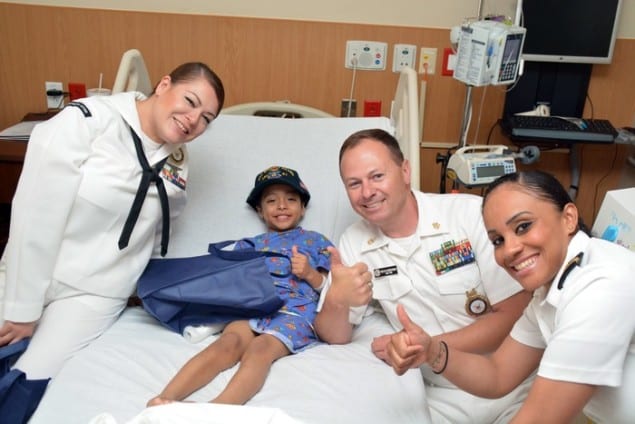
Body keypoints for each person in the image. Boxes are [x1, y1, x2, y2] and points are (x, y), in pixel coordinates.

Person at [0, 61, 225, 420]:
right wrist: (24, 307)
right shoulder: (88, 121)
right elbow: (34, 214)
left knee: (28, 378)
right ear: (164, 84)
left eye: (207, 118)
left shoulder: (178, 162)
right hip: (38, 268)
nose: (193, 119)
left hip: (97, 293)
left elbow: (163, 222)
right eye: (190, 100)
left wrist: (143, 281)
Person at [314, 128, 534, 423]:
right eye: (354, 183)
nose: (367, 192)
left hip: (513, 383)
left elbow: (514, 312)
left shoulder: (469, 216)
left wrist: (427, 345)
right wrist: (337, 300)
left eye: (377, 176)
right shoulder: (354, 243)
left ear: (405, 171)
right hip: (439, 393)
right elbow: (334, 336)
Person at [386, 170, 635, 423]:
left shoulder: (600, 285)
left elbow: (539, 418)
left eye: (524, 226)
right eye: (497, 241)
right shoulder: (547, 294)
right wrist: (432, 351)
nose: (510, 249)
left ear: (569, 218)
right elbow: (498, 374)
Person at [148, 165, 334, 406]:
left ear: (302, 208)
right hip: (255, 308)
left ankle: (219, 409)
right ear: (260, 210)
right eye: (271, 201)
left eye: (291, 199)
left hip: (295, 313)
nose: (281, 206)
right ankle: (164, 399)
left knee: (260, 349)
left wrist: (309, 274)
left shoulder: (315, 240)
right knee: (228, 343)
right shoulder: (249, 245)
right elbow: (226, 280)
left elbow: (330, 289)